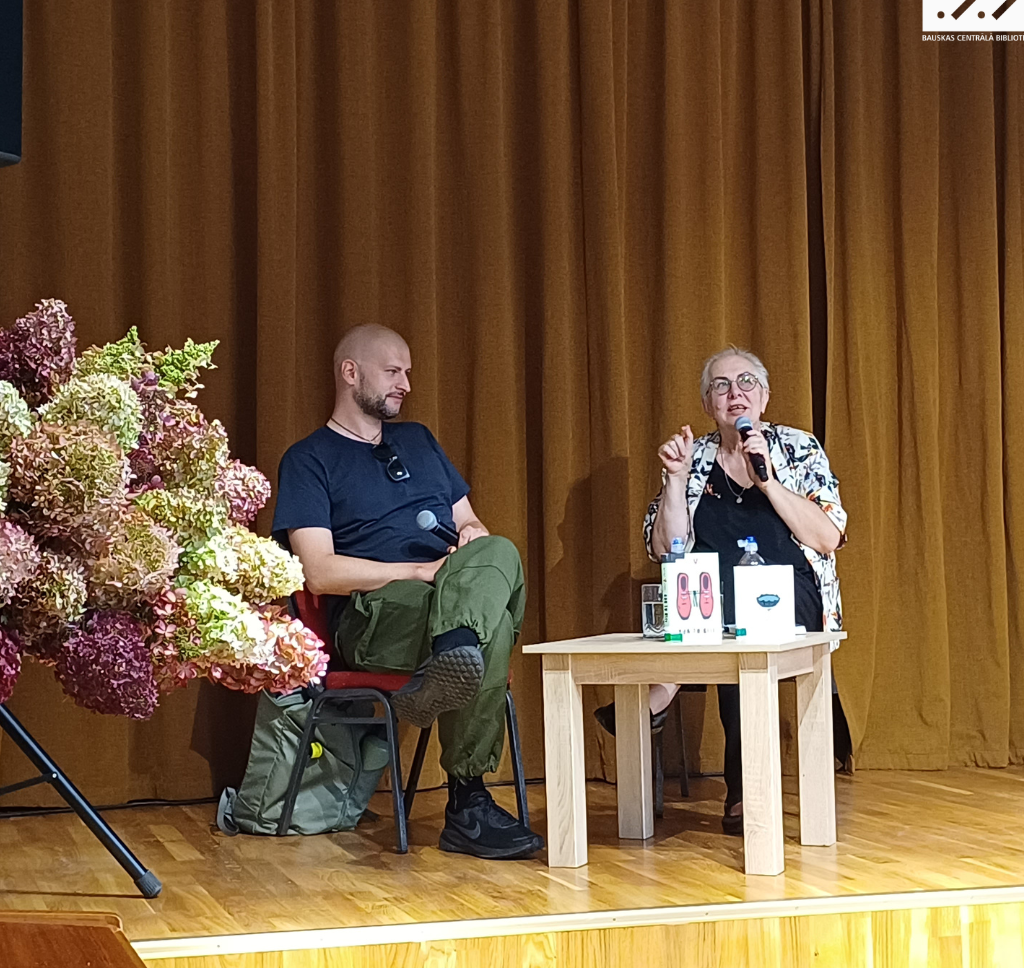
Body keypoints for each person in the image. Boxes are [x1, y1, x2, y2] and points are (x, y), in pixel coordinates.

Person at [271, 324, 543, 860]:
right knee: (490, 628)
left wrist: (472, 536)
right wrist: (417, 572)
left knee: (501, 551)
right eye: (393, 371)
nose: (406, 384)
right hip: (376, 614)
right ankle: (467, 803)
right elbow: (319, 572)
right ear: (351, 373)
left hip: (448, 598)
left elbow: (473, 526)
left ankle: (451, 655)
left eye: (408, 372)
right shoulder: (308, 459)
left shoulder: (418, 441)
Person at [599, 346, 847, 836]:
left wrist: (768, 482)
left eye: (746, 383)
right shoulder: (694, 459)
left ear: (765, 397)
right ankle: (742, 791)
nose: (735, 393)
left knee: (738, 610)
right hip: (704, 601)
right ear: (708, 403)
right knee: (720, 604)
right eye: (721, 385)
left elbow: (827, 536)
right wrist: (675, 481)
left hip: (790, 596)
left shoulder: (797, 448)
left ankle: (659, 695)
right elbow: (665, 549)